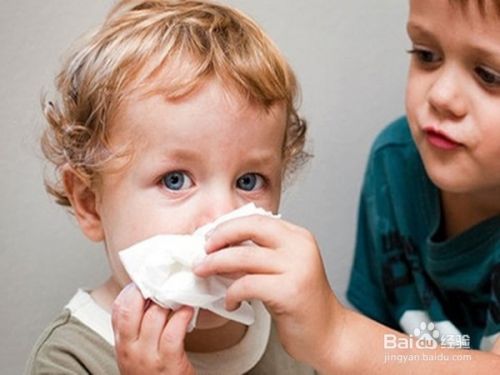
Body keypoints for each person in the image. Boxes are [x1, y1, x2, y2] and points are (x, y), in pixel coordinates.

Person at [194, 0, 500, 373]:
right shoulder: (397, 165)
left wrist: (337, 335)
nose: (441, 96)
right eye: (426, 55)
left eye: (489, 76)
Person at [24, 1, 316, 374]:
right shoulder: (70, 358)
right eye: (175, 180)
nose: (223, 219)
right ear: (90, 203)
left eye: (248, 181)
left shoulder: (292, 327)